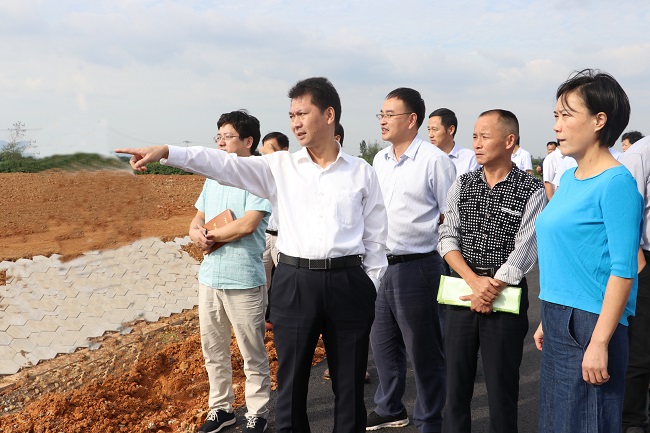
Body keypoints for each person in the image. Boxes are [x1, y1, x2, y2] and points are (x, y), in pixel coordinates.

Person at [116, 76, 388, 433]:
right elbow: (222, 164)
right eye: (291, 114)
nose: (295, 122)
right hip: (295, 281)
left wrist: (368, 285)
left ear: (329, 115)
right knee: (290, 386)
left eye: (302, 113)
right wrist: (168, 151)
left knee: (350, 385)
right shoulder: (280, 168)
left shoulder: (361, 173)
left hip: (348, 283)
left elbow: (376, 239)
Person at [533, 69, 643, 433]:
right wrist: (547, 316)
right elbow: (569, 255)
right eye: (556, 116)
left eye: (567, 115)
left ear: (599, 121)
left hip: (592, 324)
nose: (557, 126)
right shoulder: (568, 179)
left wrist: (599, 341)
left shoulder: (617, 183)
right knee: (557, 422)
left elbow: (624, 270)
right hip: (558, 316)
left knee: (585, 423)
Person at [438, 109, 546, 433]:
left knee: (502, 392)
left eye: (485, 136)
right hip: (462, 292)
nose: (477, 143)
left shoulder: (532, 189)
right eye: (474, 136)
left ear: (509, 140)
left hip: (505, 298)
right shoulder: (464, 182)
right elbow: (446, 237)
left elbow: (525, 250)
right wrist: (473, 281)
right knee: (455, 390)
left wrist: (491, 288)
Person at [368, 88, 456, 433]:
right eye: (382, 114)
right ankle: (389, 407)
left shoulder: (434, 161)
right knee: (384, 344)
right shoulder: (379, 159)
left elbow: (453, 216)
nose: (383, 120)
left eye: (390, 114)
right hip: (379, 265)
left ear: (412, 119)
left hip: (417, 266)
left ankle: (428, 418)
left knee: (423, 349)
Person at [188, 110, 272, 433]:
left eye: (228, 137)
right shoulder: (214, 177)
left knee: (252, 350)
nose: (221, 142)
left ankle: (257, 410)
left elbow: (249, 224)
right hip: (210, 278)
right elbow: (196, 219)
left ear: (248, 141)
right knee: (213, 349)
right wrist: (197, 233)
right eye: (218, 137)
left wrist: (211, 236)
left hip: (243, 279)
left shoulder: (259, 177)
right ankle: (221, 408)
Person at [620, 134, 650, 433]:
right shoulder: (641, 153)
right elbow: (628, 216)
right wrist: (639, 265)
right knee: (641, 351)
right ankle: (633, 421)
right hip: (646, 262)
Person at [258, 131, 290, 329]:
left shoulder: (289, 173)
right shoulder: (261, 174)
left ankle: (283, 319)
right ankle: (261, 319)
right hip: (264, 235)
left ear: (285, 151)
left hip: (283, 238)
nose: (267, 155)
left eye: (273, 150)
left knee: (284, 282)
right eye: (265, 150)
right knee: (262, 281)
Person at [427, 108, 479, 176]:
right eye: (429, 129)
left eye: (435, 129)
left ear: (451, 130)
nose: (430, 135)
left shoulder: (470, 159)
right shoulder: (426, 158)